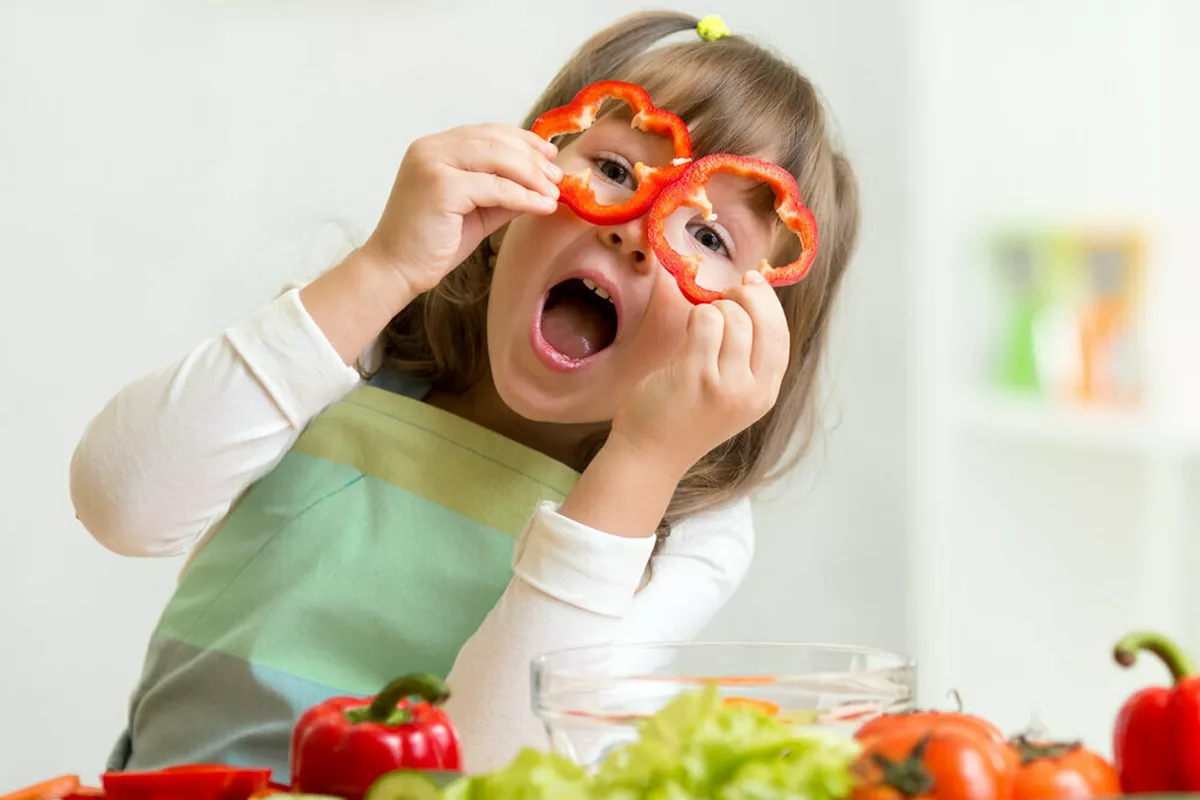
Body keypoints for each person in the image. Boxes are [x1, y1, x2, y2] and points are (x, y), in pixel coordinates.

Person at [69, 9, 861, 779]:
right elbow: (120, 504)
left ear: (755, 334)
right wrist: (381, 266)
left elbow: (496, 768)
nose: (634, 229)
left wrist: (643, 463)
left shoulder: (693, 528)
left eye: (709, 236)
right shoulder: (361, 342)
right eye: (615, 170)